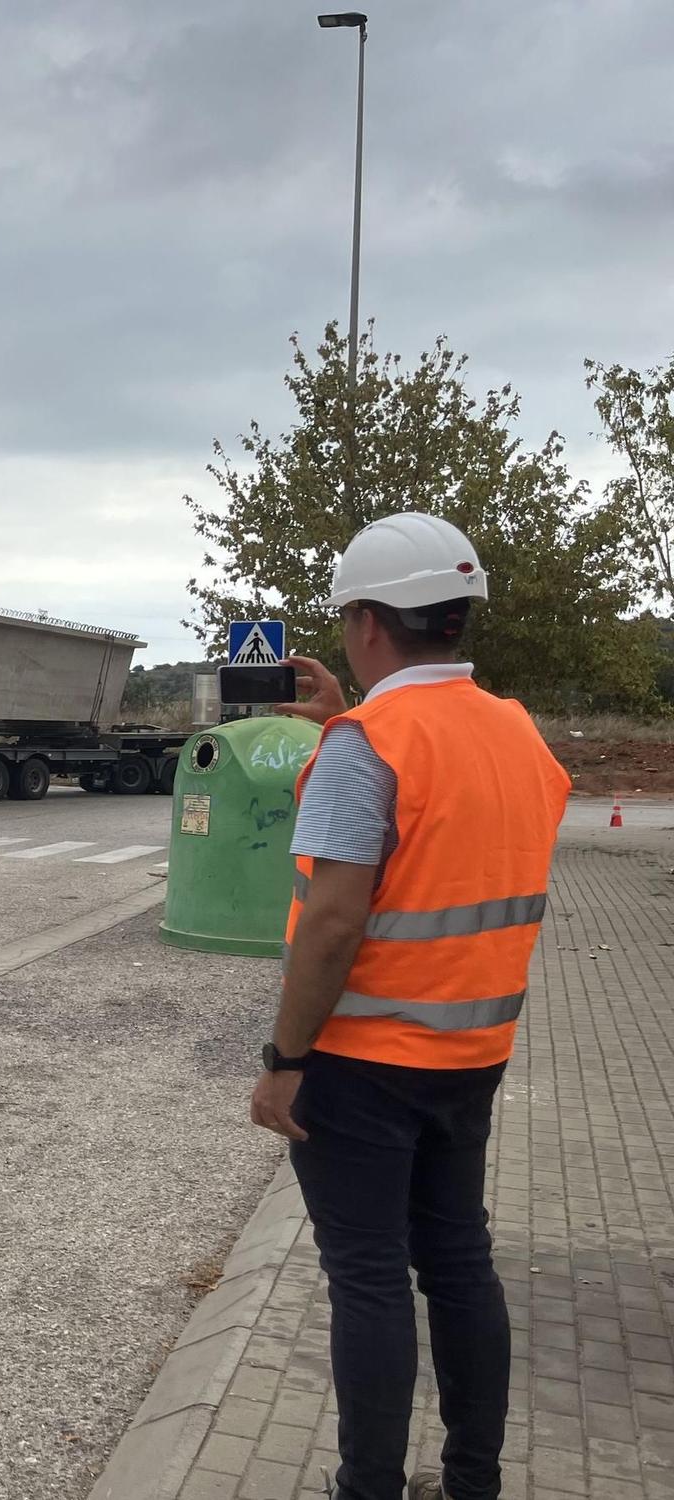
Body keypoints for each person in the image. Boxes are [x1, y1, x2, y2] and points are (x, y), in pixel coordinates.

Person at [248, 512, 569, 1500]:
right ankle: (471, 1480)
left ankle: (368, 1490)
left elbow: (334, 922)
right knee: (457, 1264)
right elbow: (444, 835)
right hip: (471, 1054)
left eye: (347, 615)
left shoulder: (367, 744)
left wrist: (281, 1057)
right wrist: (353, 715)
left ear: (371, 622)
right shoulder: (513, 731)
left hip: (358, 1066)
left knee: (368, 1280)